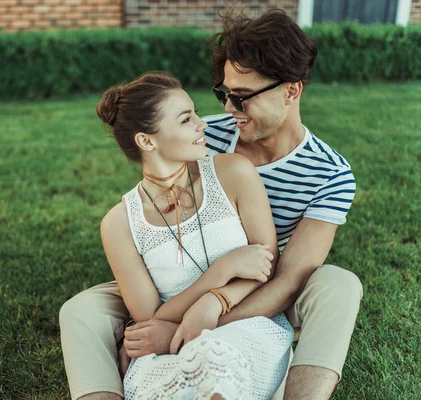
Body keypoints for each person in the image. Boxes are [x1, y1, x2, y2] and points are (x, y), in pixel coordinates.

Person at [60, 9, 363, 400]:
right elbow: (161, 203)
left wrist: (202, 318)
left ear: (291, 90)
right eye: (224, 94)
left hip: (261, 285)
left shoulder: (331, 174)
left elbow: (286, 278)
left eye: (242, 98)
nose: (227, 111)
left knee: (339, 284)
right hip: (181, 278)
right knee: (82, 310)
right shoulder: (208, 134)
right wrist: (183, 307)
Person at [96, 71, 294, 399]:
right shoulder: (119, 224)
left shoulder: (233, 172)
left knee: (217, 373)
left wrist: (215, 301)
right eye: (187, 119)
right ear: (147, 141)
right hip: (168, 349)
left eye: (196, 112)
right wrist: (223, 270)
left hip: (247, 329)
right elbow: (152, 320)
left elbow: (265, 265)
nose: (203, 125)